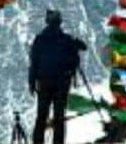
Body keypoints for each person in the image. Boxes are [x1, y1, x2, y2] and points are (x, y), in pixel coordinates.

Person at [29, 9, 87, 144]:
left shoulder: (39, 39)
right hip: (62, 82)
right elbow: (82, 49)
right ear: (59, 22)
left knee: (41, 117)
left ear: (47, 22)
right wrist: (76, 43)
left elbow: (34, 62)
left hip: (43, 82)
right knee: (59, 117)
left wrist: (32, 82)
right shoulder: (67, 40)